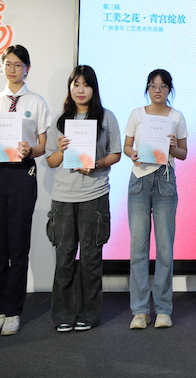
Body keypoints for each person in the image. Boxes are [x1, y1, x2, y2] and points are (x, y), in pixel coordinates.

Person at [0, 45, 51, 337]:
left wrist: (30, 150)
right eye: (8, 63)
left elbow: (43, 146)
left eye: (18, 64)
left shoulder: (36, 102)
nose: (12, 69)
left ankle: (13, 312)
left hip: (22, 174)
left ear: (27, 68)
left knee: (18, 246)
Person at [45, 65, 122, 332]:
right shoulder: (59, 120)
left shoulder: (106, 117)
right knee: (64, 257)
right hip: (63, 197)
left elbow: (116, 154)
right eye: (76, 84)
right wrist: (61, 149)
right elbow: (51, 161)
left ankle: (89, 314)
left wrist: (96, 164)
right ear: (70, 88)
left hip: (94, 194)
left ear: (93, 88)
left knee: (90, 258)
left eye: (86, 85)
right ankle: (64, 315)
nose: (81, 90)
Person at [124, 69, 188, 330]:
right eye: (152, 85)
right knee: (138, 249)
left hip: (165, 180)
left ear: (169, 89)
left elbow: (183, 153)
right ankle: (140, 311)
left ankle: (163, 309)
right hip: (139, 180)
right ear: (147, 89)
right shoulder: (137, 114)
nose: (157, 90)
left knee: (165, 249)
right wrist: (132, 153)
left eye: (162, 86)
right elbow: (127, 146)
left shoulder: (176, 117)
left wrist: (172, 147)